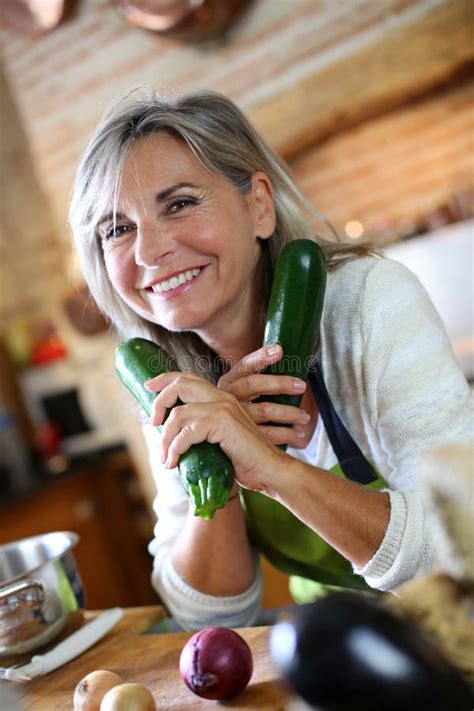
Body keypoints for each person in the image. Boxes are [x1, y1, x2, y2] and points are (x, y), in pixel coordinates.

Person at [69, 87, 472, 631]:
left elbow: (458, 544)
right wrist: (218, 471)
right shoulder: (163, 379)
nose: (148, 251)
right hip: (333, 641)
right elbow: (205, 612)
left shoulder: (371, 300)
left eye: (180, 203)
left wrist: (275, 471)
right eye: (118, 229)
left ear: (258, 204)